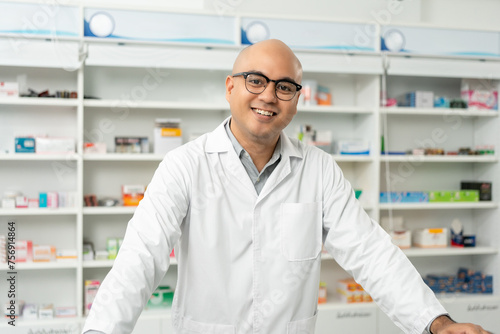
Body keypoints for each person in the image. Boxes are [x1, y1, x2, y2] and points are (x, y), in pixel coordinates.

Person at [82, 39, 492, 334]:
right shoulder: (185, 165)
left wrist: (437, 324)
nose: (269, 96)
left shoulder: (319, 170)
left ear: (296, 99)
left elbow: (372, 254)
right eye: (255, 80)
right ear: (231, 87)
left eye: (284, 86)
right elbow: (140, 258)